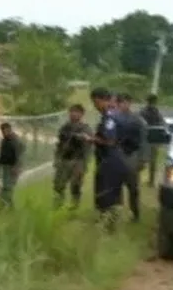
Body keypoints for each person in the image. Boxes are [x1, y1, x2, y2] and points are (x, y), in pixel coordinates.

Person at [86, 88, 130, 229]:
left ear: (102, 100)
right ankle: (109, 223)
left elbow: (110, 141)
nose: (95, 106)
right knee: (112, 193)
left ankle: (108, 225)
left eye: (96, 102)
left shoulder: (110, 117)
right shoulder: (116, 115)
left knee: (106, 193)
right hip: (114, 159)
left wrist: (92, 139)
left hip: (110, 160)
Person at [52, 104, 93, 209]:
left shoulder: (85, 128)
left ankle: (75, 204)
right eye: (71, 111)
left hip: (78, 160)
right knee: (58, 184)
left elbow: (88, 146)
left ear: (81, 114)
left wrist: (84, 164)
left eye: (76, 112)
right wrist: (57, 159)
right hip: (64, 159)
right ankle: (58, 204)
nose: (73, 114)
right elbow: (59, 144)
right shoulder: (65, 127)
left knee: (76, 184)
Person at [115, 93, 147, 222]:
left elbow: (144, 140)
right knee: (116, 187)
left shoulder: (138, 120)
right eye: (121, 102)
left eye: (126, 101)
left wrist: (143, 159)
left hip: (132, 156)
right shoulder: (114, 119)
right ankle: (115, 213)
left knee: (133, 188)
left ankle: (135, 213)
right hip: (117, 155)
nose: (124, 104)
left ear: (130, 103)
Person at [0, 122, 25, 211]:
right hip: (5, 166)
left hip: (13, 167)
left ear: (10, 129)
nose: (4, 132)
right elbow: (2, 155)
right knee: (7, 187)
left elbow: (20, 155)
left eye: (6, 130)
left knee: (8, 187)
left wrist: (17, 167)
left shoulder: (16, 140)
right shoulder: (4, 140)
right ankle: (11, 208)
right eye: (2, 131)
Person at [139, 94, 166, 186]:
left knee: (142, 159)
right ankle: (151, 181)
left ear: (147, 101)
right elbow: (162, 123)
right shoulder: (157, 112)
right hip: (154, 138)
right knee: (152, 161)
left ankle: (138, 179)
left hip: (145, 138)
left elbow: (139, 123)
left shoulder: (143, 111)